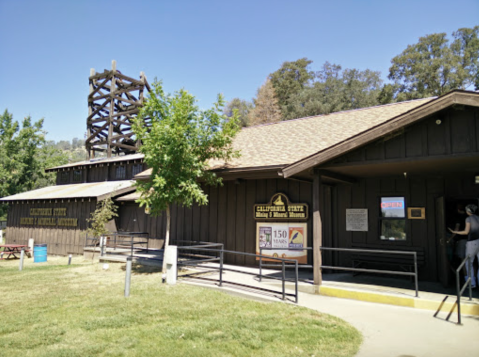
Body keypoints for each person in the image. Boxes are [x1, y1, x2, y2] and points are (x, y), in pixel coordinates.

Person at [448, 204, 479, 288]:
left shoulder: (468, 219)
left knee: (468, 262)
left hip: (471, 242)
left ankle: (471, 283)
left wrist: (454, 232)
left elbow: (466, 232)